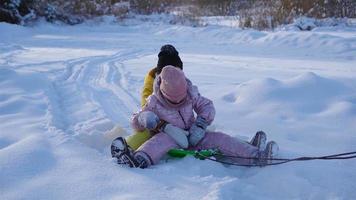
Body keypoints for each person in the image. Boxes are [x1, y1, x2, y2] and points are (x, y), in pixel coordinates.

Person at [111, 66, 279, 168]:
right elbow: (135, 120)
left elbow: (207, 106)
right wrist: (142, 118)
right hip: (169, 136)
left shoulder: (191, 94)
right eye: (173, 101)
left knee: (220, 138)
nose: (179, 102)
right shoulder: (154, 102)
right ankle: (139, 160)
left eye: (181, 99)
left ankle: (256, 156)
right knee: (158, 141)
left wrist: (200, 124)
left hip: (193, 134)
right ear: (163, 92)